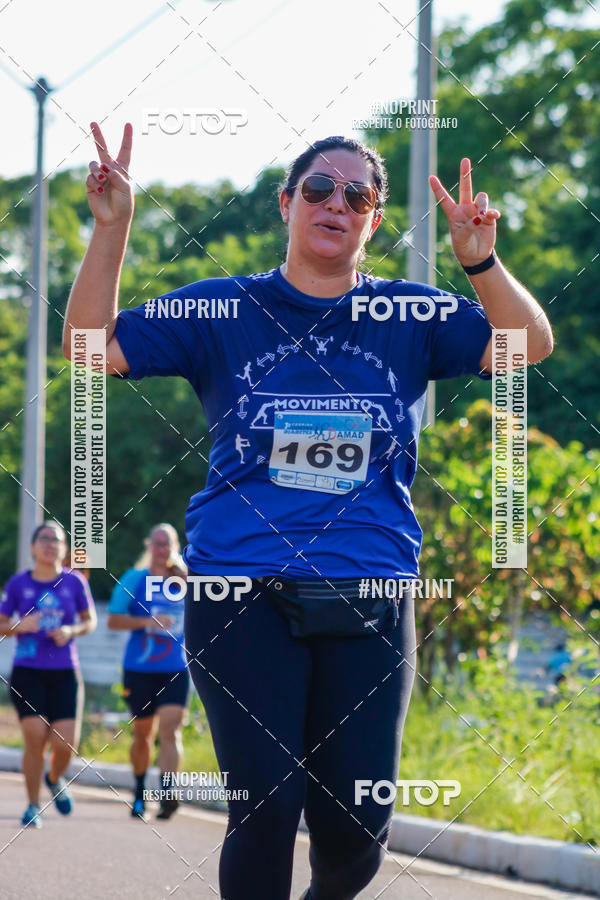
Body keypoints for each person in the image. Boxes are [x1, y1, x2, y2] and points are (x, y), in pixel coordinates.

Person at [63, 123, 553, 899]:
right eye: (319, 189)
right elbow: (91, 348)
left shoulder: (413, 316)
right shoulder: (225, 308)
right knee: (265, 806)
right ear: (287, 203)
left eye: (357, 194)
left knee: (358, 825)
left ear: (375, 220)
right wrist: (113, 227)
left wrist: (479, 261)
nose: (337, 203)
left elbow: (527, 345)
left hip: (372, 591)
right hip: (239, 588)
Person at [0, 521, 97, 828]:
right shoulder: (17, 584)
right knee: (35, 736)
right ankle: (32, 805)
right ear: (32, 547)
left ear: (64, 548)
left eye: (56, 540)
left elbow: (90, 620)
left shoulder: (75, 582)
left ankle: (54, 778)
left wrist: (71, 630)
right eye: (43, 539)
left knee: (65, 743)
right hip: (28, 671)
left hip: (65, 670)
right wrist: (18, 627)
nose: (50, 544)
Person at [107, 523, 189, 820]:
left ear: (175, 546)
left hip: (175, 668)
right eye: (157, 543)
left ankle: (168, 794)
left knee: (171, 729)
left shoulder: (184, 580)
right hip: (139, 668)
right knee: (143, 734)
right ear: (148, 546)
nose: (162, 549)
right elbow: (113, 621)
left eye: (167, 543)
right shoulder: (134, 578)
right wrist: (147, 623)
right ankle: (140, 791)